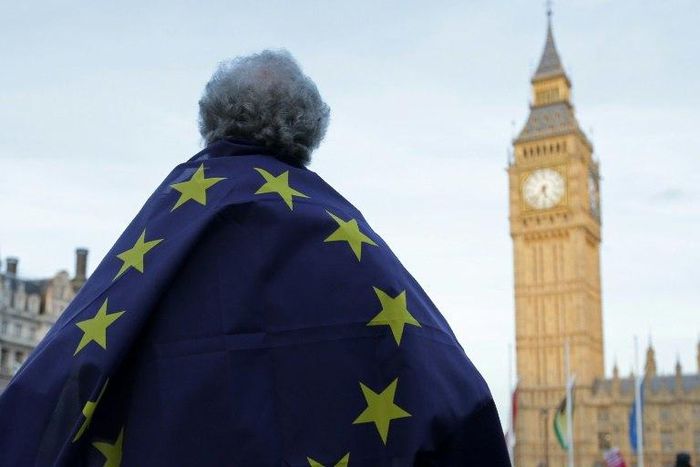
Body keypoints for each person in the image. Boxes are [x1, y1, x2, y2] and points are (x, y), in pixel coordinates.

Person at [0, 49, 510, 466]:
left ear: (211, 122)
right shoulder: (350, 240)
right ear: (307, 134)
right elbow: (456, 395)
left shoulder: (163, 229)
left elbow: (54, 382)